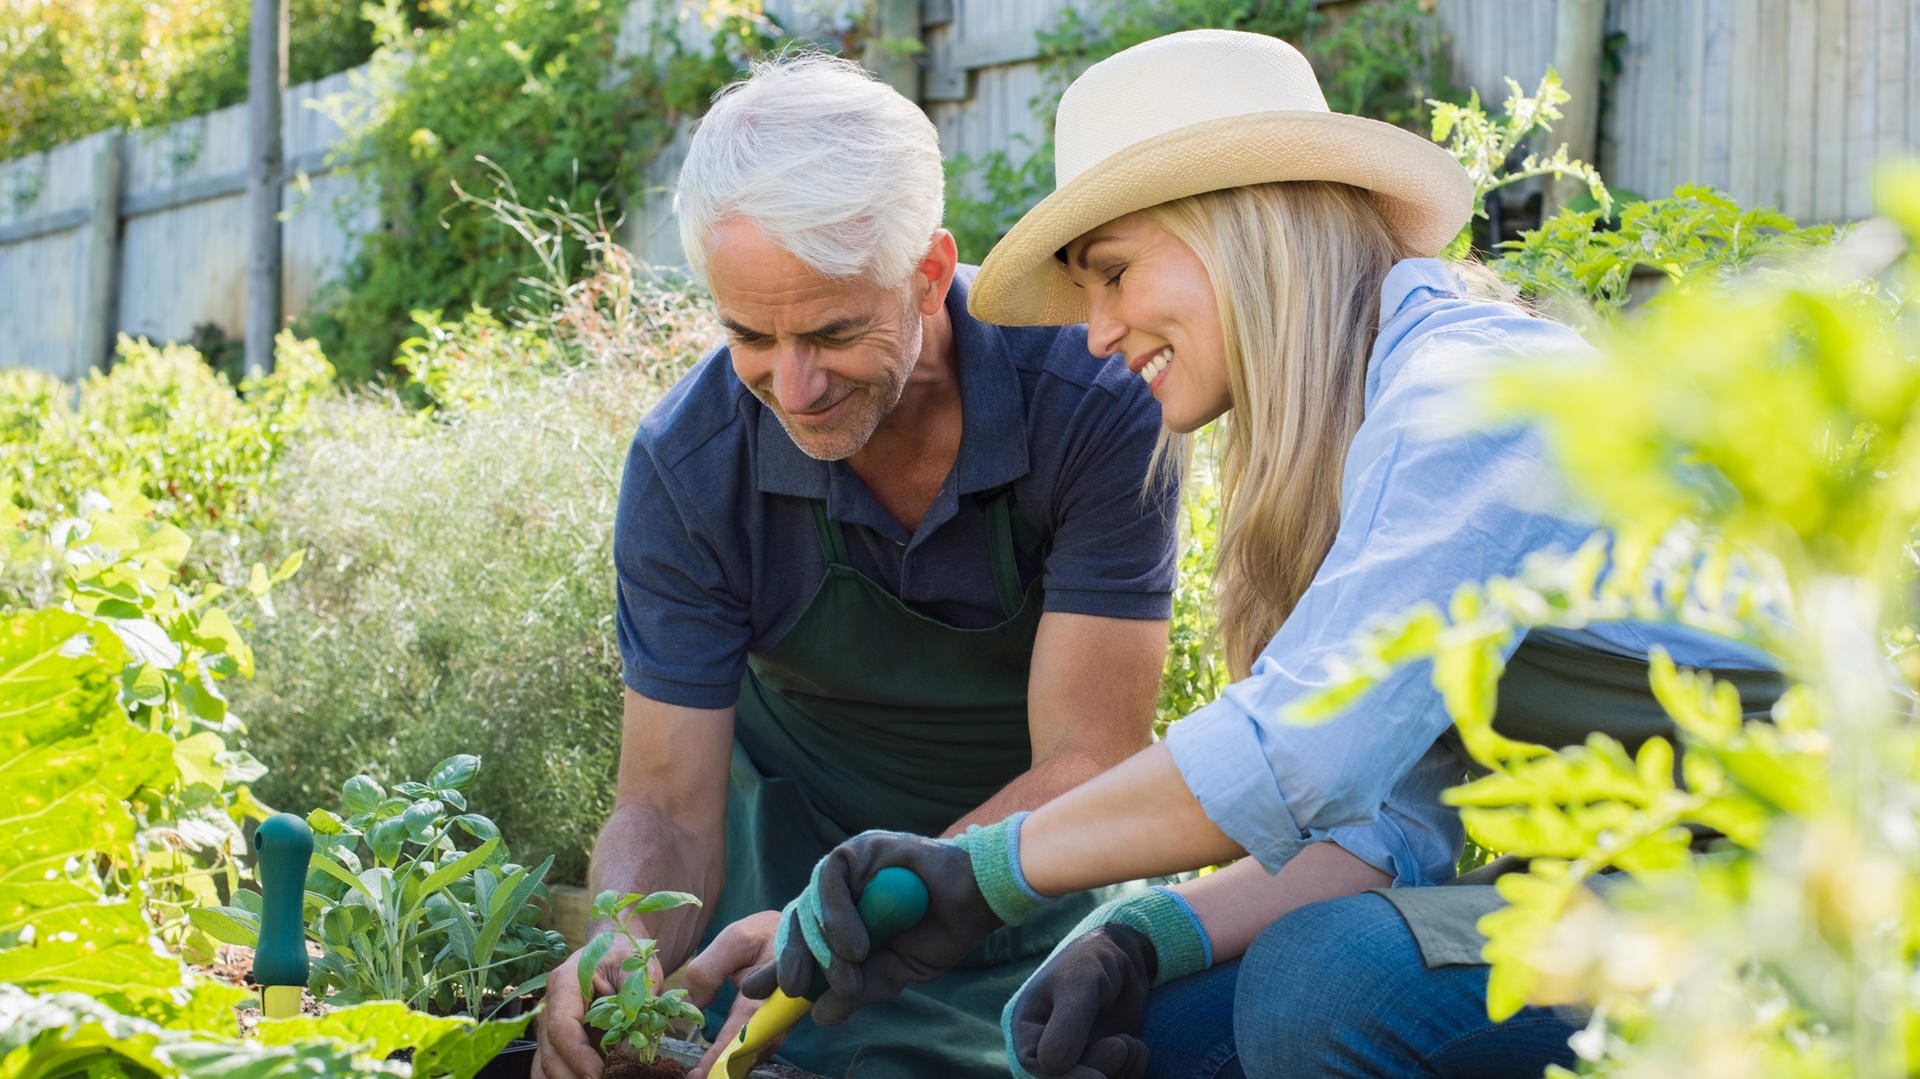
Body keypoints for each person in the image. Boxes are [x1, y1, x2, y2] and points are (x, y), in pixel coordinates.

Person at [745, 29, 1784, 1079]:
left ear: (1242, 226)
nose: (1095, 332)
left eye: (1111, 272)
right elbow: (1386, 834)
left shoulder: (1471, 398)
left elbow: (1299, 750)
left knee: (1327, 977)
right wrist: (1141, 935)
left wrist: (985, 871)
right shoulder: (1363, 435)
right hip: (1618, 894)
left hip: (1808, 892)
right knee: (1165, 1024)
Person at [531, 52, 1191, 1079]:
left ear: (929, 272)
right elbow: (663, 804)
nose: (791, 386)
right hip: (785, 930)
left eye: (833, 331)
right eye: (750, 333)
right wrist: (623, 939)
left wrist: (883, 900)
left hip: (1028, 892)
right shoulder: (691, 464)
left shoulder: (1089, 402)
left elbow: (1090, 759)